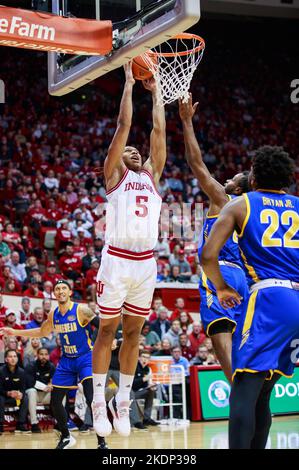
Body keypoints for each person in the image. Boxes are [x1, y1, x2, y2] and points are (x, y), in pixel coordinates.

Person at [200, 145, 299, 449]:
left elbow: (207, 255)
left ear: (254, 177)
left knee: (243, 385)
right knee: (264, 391)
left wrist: (222, 287)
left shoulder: (240, 204)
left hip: (268, 299)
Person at [93, 62, 166, 438]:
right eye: (129, 151)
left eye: (139, 151)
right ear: (119, 159)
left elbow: (157, 131)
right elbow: (124, 128)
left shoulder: (151, 178)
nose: (135, 152)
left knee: (134, 334)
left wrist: (156, 94)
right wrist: (126, 83)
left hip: (145, 265)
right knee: (107, 331)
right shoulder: (113, 176)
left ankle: (121, 401)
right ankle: (95, 400)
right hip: (117, 261)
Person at [179, 94, 250, 382]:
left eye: (232, 178)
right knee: (245, 350)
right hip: (246, 281)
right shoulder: (252, 210)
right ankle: (256, 401)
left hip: (219, 273)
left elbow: (196, 164)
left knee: (225, 356)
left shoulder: (225, 199)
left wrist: (186, 122)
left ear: (238, 188)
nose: (227, 180)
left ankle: (242, 400)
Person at [0, 279, 107, 450]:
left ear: (70, 292)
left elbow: (103, 327)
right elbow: (42, 332)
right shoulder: (53, 314)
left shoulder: (82, 310)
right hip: (67, 360)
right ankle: (66, 436)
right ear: (54, 294)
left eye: (64, 288)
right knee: (56, 401)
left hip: (85, 357)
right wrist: (15, 332)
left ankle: (102, 442)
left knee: (90, 398)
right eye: (57, 289)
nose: (61, 291)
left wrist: (106, 343)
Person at [25, 347, 56, 432]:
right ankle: (34, 423)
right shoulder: (30, 366)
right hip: (34, 395)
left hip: (45, 395)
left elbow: (54, 381)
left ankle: (60, 422)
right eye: (41, 354)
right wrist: (44, 387)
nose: (44, 356)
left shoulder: (52, 366)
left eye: (46, 354)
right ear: (37, 355)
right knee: (32, 391)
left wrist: (51, 385)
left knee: (59, 393)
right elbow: (30, 383)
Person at [0, 349, 29, 434]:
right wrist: (8, 393)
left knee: (25, 398)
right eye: (10, 356)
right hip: (4, 396)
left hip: (15, 398)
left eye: (15, 356)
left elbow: (23, 388)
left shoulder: (21, 372)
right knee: (0, 398)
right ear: (6, 359)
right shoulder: (1, 371)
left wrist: (21, 394)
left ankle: (21, 423)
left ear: (17, 358)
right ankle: (0, 424)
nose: (13, 359)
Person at [130, 350, 158, 430]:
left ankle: (146, 419)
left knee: (151, 391)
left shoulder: (148, 369)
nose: (145, 359)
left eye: (147, 358)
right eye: (143, 357)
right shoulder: (133, 367)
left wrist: (150, 386)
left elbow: (145, 384)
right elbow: (131, 383)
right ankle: (136, 421)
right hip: (129, 393)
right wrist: (143, 379)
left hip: (138, 392)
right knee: (131, 394)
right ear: (139, 358)